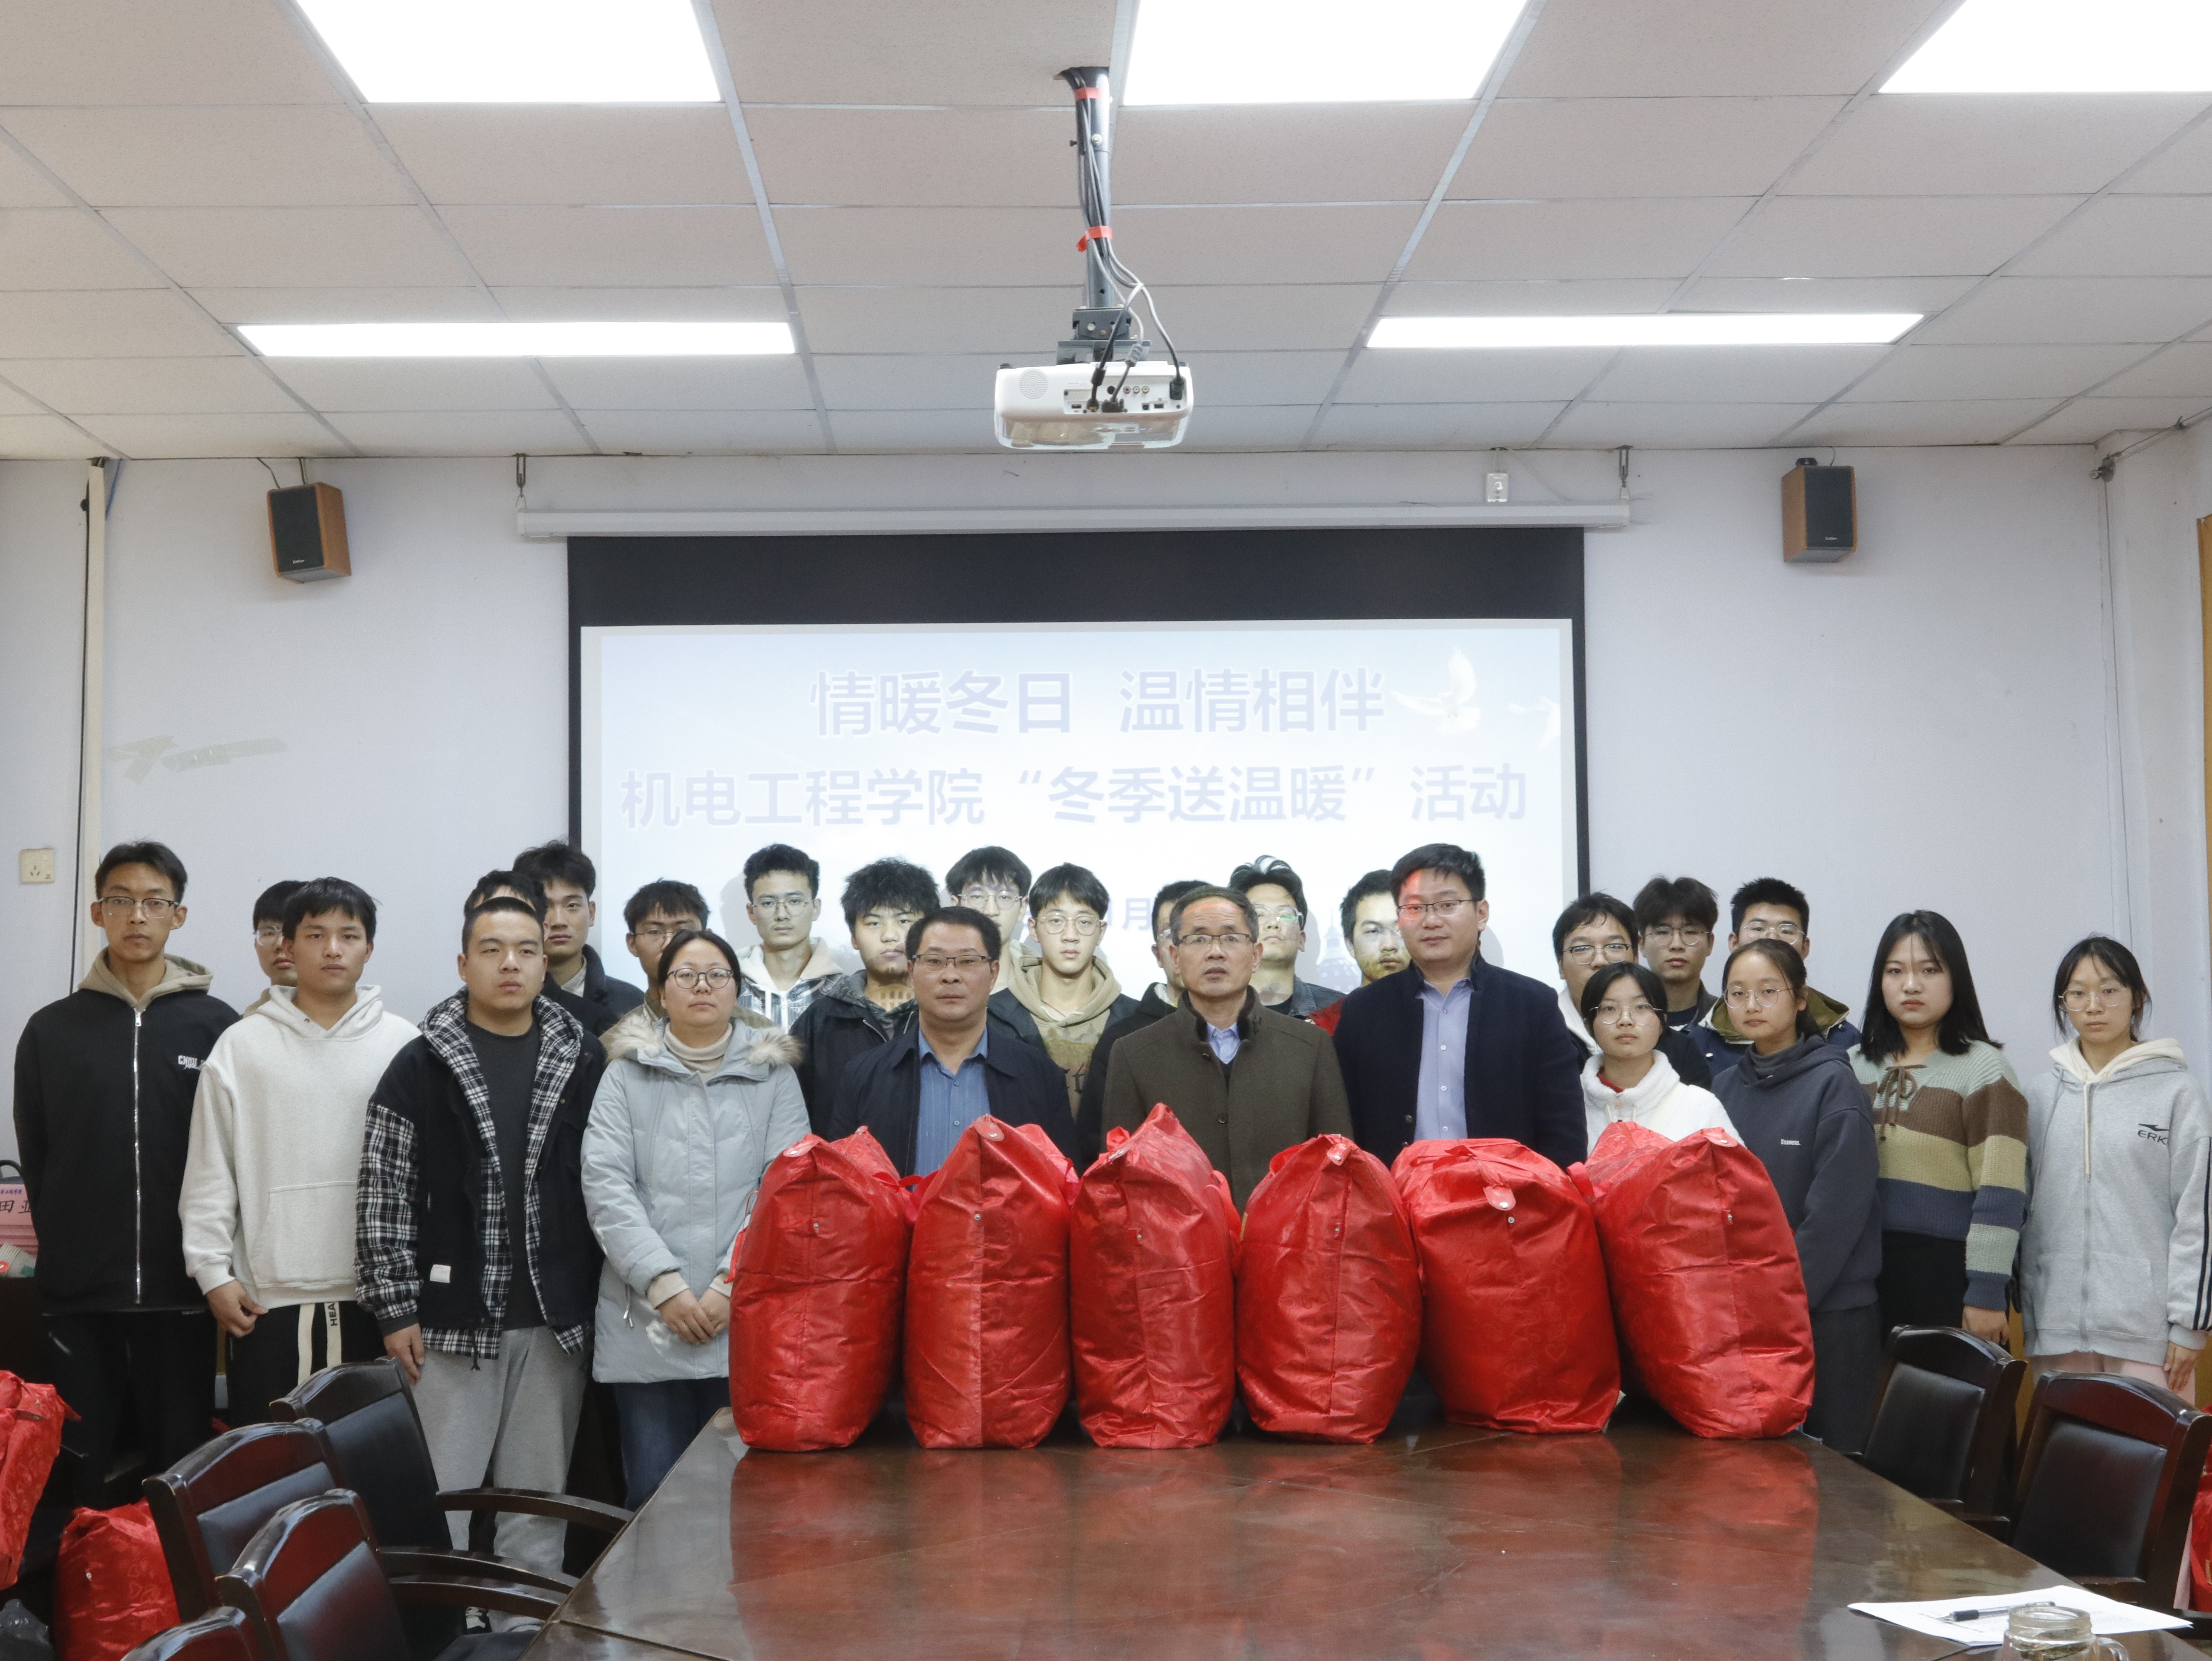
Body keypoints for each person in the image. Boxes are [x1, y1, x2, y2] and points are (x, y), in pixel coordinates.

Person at [355, 896, 606, 1592]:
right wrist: (395, 1307)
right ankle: (448, 1624)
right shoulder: (420, 1063)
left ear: (545, 963)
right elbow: (383, 1189)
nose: (510, 963)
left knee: (538, 1500)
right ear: (464, 963)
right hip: (448, 1320)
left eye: (526, 949)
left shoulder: (582, 1056)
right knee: (446, 1496)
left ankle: (522, 1627)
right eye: (492, 949)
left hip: (555, 1319)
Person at [12, 841, 235, 1502]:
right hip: (81, 1291)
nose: (137, 915)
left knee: (182, 1468)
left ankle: (172, 1573)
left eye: (154, 902)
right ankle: (80, 1570)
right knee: (79, 1469)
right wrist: (66, 1247)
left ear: (179, 915)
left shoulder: (217, 1026)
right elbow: (38, 1152)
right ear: (97, 911)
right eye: (121, 900)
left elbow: (233, 1153)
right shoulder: (52, 1030)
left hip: (183, 1285)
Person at [581, 927, 806, 1503]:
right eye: (685, 975)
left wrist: (730, 1287)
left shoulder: (774, 1076)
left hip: (743, 1317)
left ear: (737, 990)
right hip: (648, 1321)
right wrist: (664, 1286)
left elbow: (785, 1189)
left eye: (716, 975)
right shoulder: (625, 1073)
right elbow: (606, 1186)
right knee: (654, 1496)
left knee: (744, 1501)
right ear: (661, 993)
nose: (702, 986)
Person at [180, 878, 416, 1422]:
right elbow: (210, 1170)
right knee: (276, 1459)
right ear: (288, 946)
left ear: (369, 948)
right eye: (316, 935)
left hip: (380, 1301)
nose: (333, 949)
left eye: (348, 936)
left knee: (371, 1458)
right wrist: (212, 1273)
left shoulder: (404, 1045)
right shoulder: (241, 1046)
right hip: (267, 1303)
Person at [2019, 936, 2210, 1396]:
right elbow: (2019, 1209)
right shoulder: (2040, 1096)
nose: (2093, 1006)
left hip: (2150, 1337)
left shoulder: (2176, 1092)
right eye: (2078, 993)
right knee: (2065, 1446)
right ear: (2063, 1004)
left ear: (2136, 997)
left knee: (2151, 1446)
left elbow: (2198, 1214)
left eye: (2109, 990)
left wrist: (2190, 1324)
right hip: (2056, 1329)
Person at [1711, 939, 1880, 1454]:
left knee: (1831, 1477)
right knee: (1757, 1473)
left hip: (1829, 1317)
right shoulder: (1720, 1091)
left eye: (1768, 991)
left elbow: (1834, 1219)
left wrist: (1778, 1305)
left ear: (1801, 997)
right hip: (1744, 1318)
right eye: (1737, 993)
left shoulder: (1833, 1085)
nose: (1752, 1004)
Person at [1333, 843, 1585, 1173]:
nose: (1431, 920)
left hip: (1506, 1199)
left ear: (1481, 913)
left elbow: (1564, 1134)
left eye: (1447, 905)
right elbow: (1343, 1129)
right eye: (1414, 908)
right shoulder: (1363, 1011)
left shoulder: (1532, 1005)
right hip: (1395, 1199)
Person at [1096, 886, 1352, 1208]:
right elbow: (1119, 1184)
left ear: (1255, 955)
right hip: (1177, 1239)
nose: (1215, 952)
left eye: (1231, 938)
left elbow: (1337, 1170)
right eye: (1199, 939)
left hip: (1287, 1237)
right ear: (1174, 957)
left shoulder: (1310, 1047)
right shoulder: (1134, 1054)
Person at [1848, 911, 2025, 1344]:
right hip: (1860, 1271)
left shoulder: (1984, 1069)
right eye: (1895, 971)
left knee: (1945, 1391)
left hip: (1948, 1274)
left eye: (1929, 970)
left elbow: (2001, 1194)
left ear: (1955, 979)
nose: (1911, 985)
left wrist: (1986, 1292)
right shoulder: (1850, 1066)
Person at [830, 907, 1076, 1177]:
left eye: (968, 961)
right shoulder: (864, 1076)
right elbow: (843, 1186)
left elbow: (1062, 1184)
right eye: (934, 961)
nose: (950, 975)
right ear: (911, 972)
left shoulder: (1039, 1076)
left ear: (993, 973)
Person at [790, 858, 934, 1131]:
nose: (890, 936)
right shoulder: (819, 1021)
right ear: (854, 937)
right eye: (874, 923)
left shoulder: (950, 1013)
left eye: (904, 920)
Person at [1075, 878, 1206, 1164]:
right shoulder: (1122, 1042)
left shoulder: (1258, 1033)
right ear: (1158, 953)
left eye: (1199, 931)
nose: (1184, 943)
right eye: (1172, 932)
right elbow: (1097, 1152)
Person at [988, 863, 1137, 1115]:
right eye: (1056, 921)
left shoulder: (1134, 1020)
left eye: (1084, 922)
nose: (1070, 935)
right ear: (1034, 929)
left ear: (1100, 932)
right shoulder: (993, 1016)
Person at [1697, 878, 1861, 1077]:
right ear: (1734, 943)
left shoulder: (1842, 1037)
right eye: (1758, 929)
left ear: (1805, 947)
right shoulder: (1702, 1039)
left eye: (1786, 931)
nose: (1772, 939)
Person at [1551, 895, 1712, 1087]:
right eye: (1582, 949)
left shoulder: (1679, 1049)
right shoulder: (1542, 1036)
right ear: (1561, 966)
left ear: (1636, 957)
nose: (1600, 961)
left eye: (1614, 946)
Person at [1578, 962, 1736, 1150]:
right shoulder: (1569, 1104)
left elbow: (1736, 1168)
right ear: (1589, 1025)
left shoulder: (1700, 1107)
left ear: (1663, 1023)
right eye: (1610, 1009)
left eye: (1641, 1007)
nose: (1626, 1020)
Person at [513, 840, 644, 1033]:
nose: (559, 921)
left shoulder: (629, 1003)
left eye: (572, 906)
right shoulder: (506, 996)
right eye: (545, 907)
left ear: (591, 913)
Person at [734, 843, 838, 1031]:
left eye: (795, 901)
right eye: (768, 903)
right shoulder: (729, 989)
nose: (782, 914)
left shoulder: (843, 992)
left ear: (816, 909)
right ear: (751, 913)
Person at [1228, 857, 1343, 1020]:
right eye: (1258, 914)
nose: (1273, 924)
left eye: (1286, 915)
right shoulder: (1211, 1011)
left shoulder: (1339, 1010)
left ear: (1302, 939)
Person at [1311, 870, 1407, 1035]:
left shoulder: (1445, 1015)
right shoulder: (1321, 1029)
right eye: (1373, 931)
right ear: (1350, 944)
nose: (1389, 945)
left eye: (1400, 929)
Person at [1633, 875, 1719, 1033]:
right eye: (1663, 932)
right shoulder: (1625, 1022)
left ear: (1710, 943)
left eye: (1690, 932)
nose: (1677, 945)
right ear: (1642, 944)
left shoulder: (1729, 1020)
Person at [946, 846, 1034, 992]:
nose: (991, 911)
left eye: (1004, 897)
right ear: (956, 906)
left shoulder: (1041, 987)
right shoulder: (932, 984)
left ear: (1023, 908)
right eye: (977, 897)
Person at [247, 879, 305, 1011]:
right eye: (269, 933)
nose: (280, 944)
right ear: (256, 945)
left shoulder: (352, 1020)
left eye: (293, 932)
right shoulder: (242, 1022)